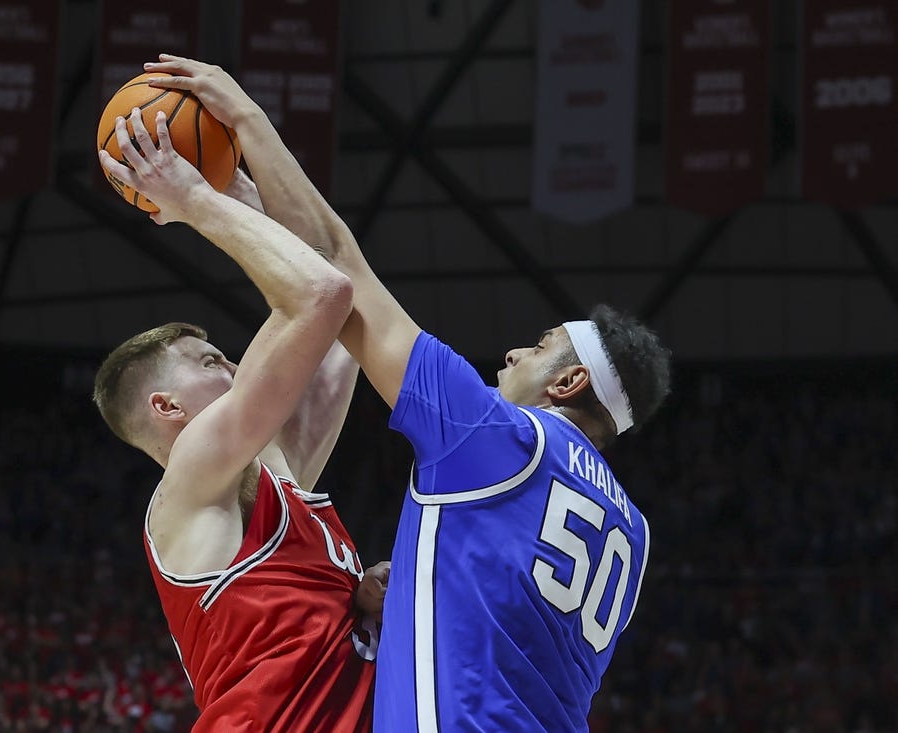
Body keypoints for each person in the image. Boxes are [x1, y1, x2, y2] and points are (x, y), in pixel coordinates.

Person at [140, 55, 672, 732]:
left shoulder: (497, 440)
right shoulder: (632, 529)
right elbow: (500, 628)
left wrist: (243, 119)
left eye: (538, 348)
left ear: (569, 383)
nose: (512, 354)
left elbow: (337, 267)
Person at [95, 100, 381, 731]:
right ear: (167, 408)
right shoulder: (192, 477)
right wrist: (194, 199)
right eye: (210, 362)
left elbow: (347, 310)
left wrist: (240, 200)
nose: (232, 367)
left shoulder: (278, 474)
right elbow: (321, 298)